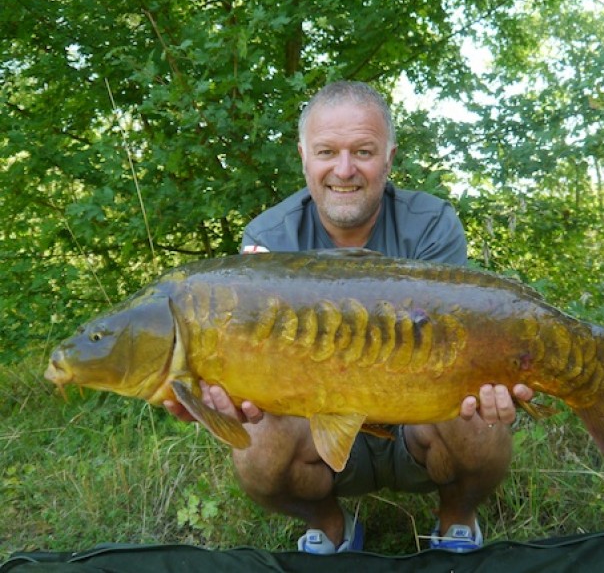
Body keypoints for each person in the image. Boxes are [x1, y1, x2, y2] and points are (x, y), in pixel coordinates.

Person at [165, 80, 534, 554]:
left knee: (482, 418)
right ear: (303, 155)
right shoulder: (268, 239)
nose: (344, 169)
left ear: (389, 156)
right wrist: (215, 396)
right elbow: (247, 364)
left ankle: (456, 519)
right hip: (319, 428)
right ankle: (330, 526)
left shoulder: (432, 223)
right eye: (326, 152)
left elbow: (453, 341)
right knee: (255, 447)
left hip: (415, 420)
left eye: (363, 151)